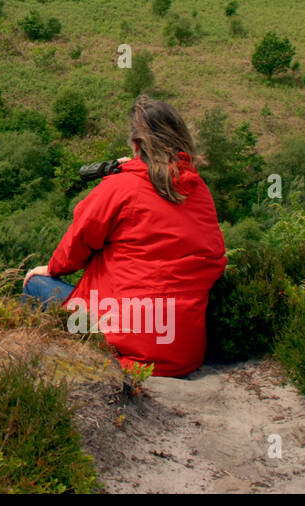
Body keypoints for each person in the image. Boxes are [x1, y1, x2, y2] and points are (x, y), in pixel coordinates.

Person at [22, 95, 227, 377]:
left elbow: (81, 239)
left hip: (126, 348)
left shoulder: (121, 186)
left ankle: (32, 370)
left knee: (36, 284)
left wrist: (51, 268)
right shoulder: (199, 190)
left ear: (136, 144)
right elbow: (216, 259)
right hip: (183, 355)